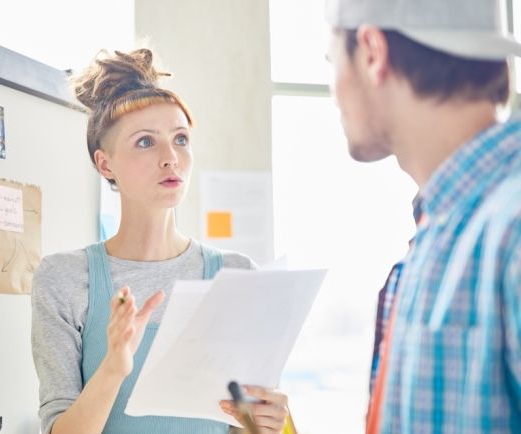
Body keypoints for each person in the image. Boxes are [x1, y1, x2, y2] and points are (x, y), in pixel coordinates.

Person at [31, 48, 290, 434]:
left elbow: (241, 424)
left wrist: (265, 424)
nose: (171, 157)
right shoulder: (64, 277)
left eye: (181, 139)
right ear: (105, 164)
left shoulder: (236, 274)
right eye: (145, 142)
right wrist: (113, 369)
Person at [325, 0, 521, 432]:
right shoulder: (441, 232)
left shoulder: (511, 229)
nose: (333, 89)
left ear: (373, 51)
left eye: (331, 61)